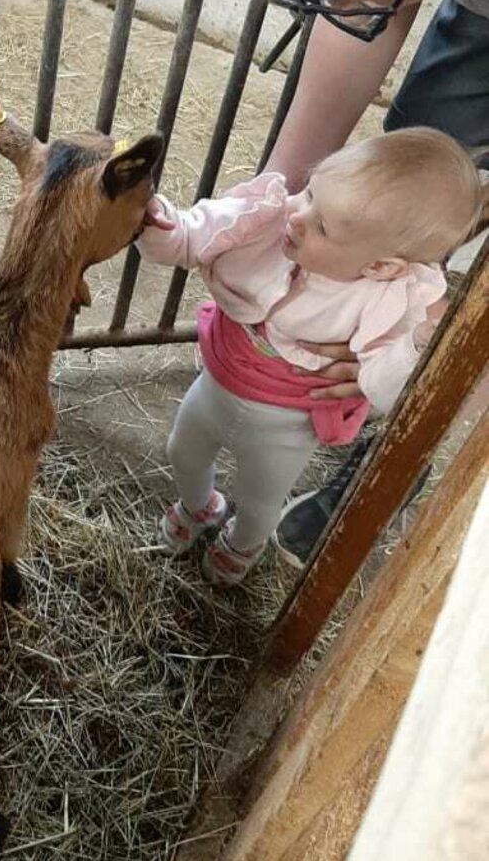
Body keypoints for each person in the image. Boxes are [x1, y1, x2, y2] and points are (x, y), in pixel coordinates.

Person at [213, 0, 489, 564]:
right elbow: (368, 0)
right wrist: (286, 202)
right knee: (410, 186)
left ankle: (394, 444)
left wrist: (411, 352)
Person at [139, 129, 481, 586]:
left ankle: (244, 543)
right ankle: (197, 506)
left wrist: (416, 343)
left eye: (322, 225)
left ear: (379, 267)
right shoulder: (269, 221)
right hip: (217, 383)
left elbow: (383, 387)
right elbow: (190, 235)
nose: (298, 215)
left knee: (261, 499)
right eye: (311, 191)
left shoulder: (389, 304)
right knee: (182, 450)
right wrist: (156, 224)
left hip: (286, 427)